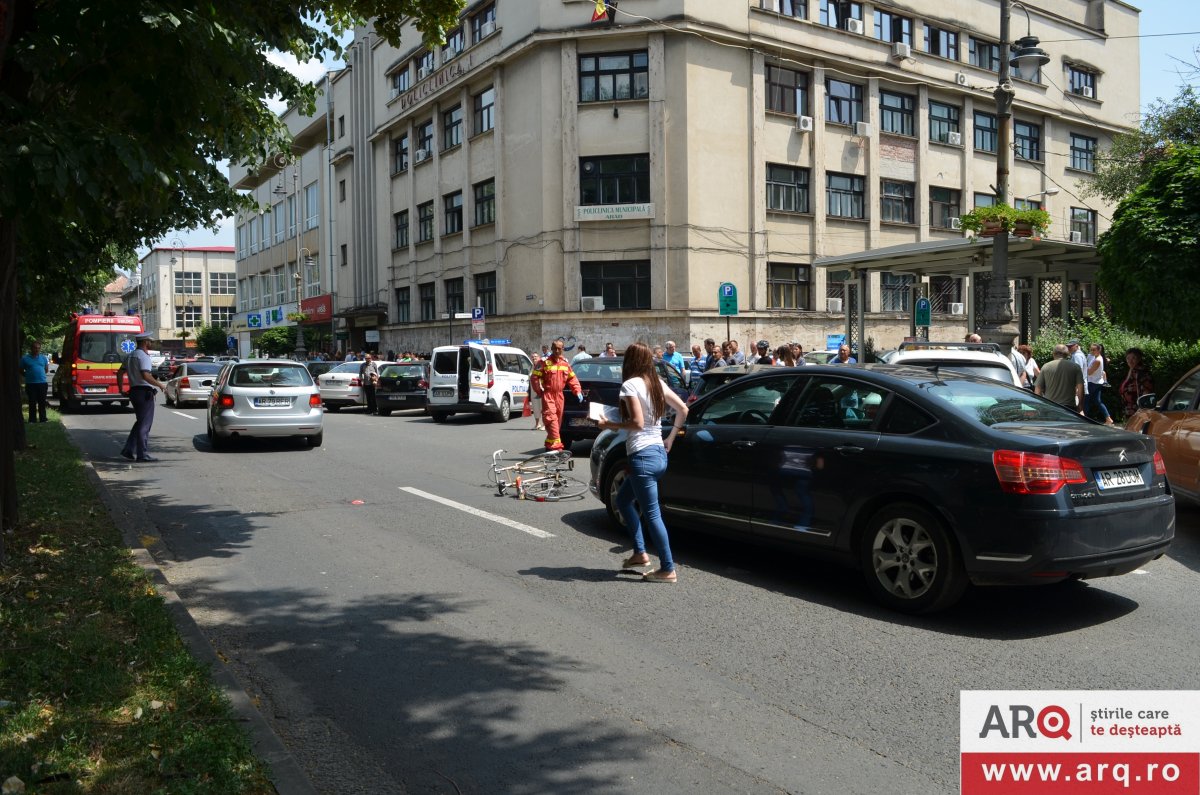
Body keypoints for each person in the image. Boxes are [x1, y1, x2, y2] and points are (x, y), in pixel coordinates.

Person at [597, 342, 689, 583]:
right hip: (659, 452)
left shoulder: (630, 384)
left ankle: (668, 568)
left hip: (642, 455)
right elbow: (683, 409)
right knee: (624, 499)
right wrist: (670, 438)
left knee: (652, 513)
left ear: (629, 362)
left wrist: (610, 424)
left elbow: (636, 423)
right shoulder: (656, 382)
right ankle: (639, 553)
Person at [116, 332, 167, 462]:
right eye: (150, 341)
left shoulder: (130, 355)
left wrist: (121, 388)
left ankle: (128, 450)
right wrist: (160, 384)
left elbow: (120, 373)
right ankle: (142, 454)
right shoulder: (143, 356)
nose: (151, 343)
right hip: (144, 393)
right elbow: (146, 375)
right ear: (145, 342)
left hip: (134, 391)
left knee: (140, 422)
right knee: (145, 425)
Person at [530, 339, 582, 450]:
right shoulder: (544, 362)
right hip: (548, 395)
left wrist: (577, 390)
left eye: (559, 348)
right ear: (551, 349)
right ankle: (558, 449)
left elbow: (572, 378)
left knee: (557, 422)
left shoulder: (565, 364)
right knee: (551, 419)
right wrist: (539, 390)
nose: (557, 350)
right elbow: (534, 377)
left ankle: (550, 445)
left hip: (559, 396)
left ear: (563, 349)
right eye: (555, 348)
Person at [1035, 344, 1084, 413]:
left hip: (1050, 406)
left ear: (1053, 354)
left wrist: (1040, 405)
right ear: (1067, 354)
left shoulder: (1046, 366)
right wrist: (1080, 405)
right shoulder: (1075, 367)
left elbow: (1038, 388)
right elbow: (1081, 388)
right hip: (1069, 407)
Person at [19, 339, 50, 423]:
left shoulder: (43, 358)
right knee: (32, 402)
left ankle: (43, 419)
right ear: (31, 348)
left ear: (40, 349)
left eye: (38, 348)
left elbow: (46, 370)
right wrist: (27, 375)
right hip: (30, 384)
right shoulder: (25, 359)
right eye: (35, 348)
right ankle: (32, 420)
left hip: (42, 383)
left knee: (42, 402)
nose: (36, 350)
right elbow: (21, 370)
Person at [1085, 343, 1114, 425]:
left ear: (1099, 350)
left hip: (1092, 383)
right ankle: (1108, 419)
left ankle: (1083, 419)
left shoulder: (1097, 360)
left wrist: (1083, 367)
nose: (1092, 351)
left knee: (1086, 401)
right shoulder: (1095, 357)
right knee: (1097, 401)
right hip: (1097, 382)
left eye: (1094, 350)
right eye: (1091, 349)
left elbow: (1089, 372)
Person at [1119, 347, 1154, 417]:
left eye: (1133, 358)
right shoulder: (1131, 370)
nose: (1130, 361)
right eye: (1128, 358)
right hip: (1129, 407)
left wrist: (1143, 409)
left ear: (1139, 359)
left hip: (1137, 409)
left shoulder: (1141, 372)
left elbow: (1146, 391)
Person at [528, 353, 544, 431]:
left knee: (543, 407)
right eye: (532, 357)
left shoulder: (541, 365)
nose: (534, 358)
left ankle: (544, 424)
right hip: (533, 390)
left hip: (541, 389)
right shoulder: (532, 367)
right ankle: (537, 424)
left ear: (539, 357)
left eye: (535, 356)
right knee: (535, 408)